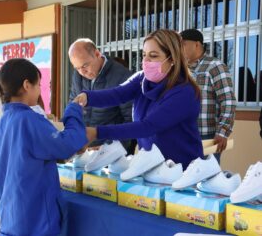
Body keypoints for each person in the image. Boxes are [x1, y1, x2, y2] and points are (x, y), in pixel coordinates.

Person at [74, 29, 203, 169]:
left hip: (183, 170)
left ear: (172, 58)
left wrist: (97, 132)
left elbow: (148, 127)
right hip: (151, 168)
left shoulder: (184, 92)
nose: (146, 61)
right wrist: (86, 97)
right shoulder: (142, 79)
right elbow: (118, 94)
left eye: (153, 56)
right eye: (144, 55)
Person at [0, 58, 87, 236]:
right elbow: (66, 145)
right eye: (38, 85)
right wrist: (73, 111)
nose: (39, 90)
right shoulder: (28, 120)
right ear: (27, 85)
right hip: (35, 221)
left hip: (12, 217)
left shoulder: (2, 122)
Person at [68, 38, 134, 153]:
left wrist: (111, 148)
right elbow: (72, 104)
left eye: (84, 66)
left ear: (97, 54)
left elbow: (131, 120)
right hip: (83, 150)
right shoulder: (78, 75)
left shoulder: (122, 76)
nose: (82, 72)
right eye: (77, 68)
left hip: (111, 152)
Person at [180, 29, 236, 162]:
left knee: (206, 179)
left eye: (183, 44)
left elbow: (227, 101)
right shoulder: (181, 70)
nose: (179, 49)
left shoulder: (214, 66)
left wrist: (222, 132)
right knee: (183, 177)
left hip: (207, 137)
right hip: (184, 134)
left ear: (197, 44)